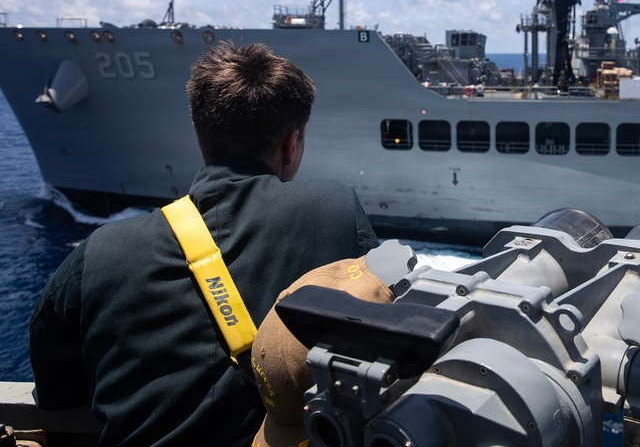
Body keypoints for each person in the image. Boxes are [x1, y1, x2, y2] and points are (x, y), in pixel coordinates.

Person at [29, 41, 379, 446]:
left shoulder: (97, 253)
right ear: (291, 143)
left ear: (199, 132)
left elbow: (57, 396)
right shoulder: (335, 209)